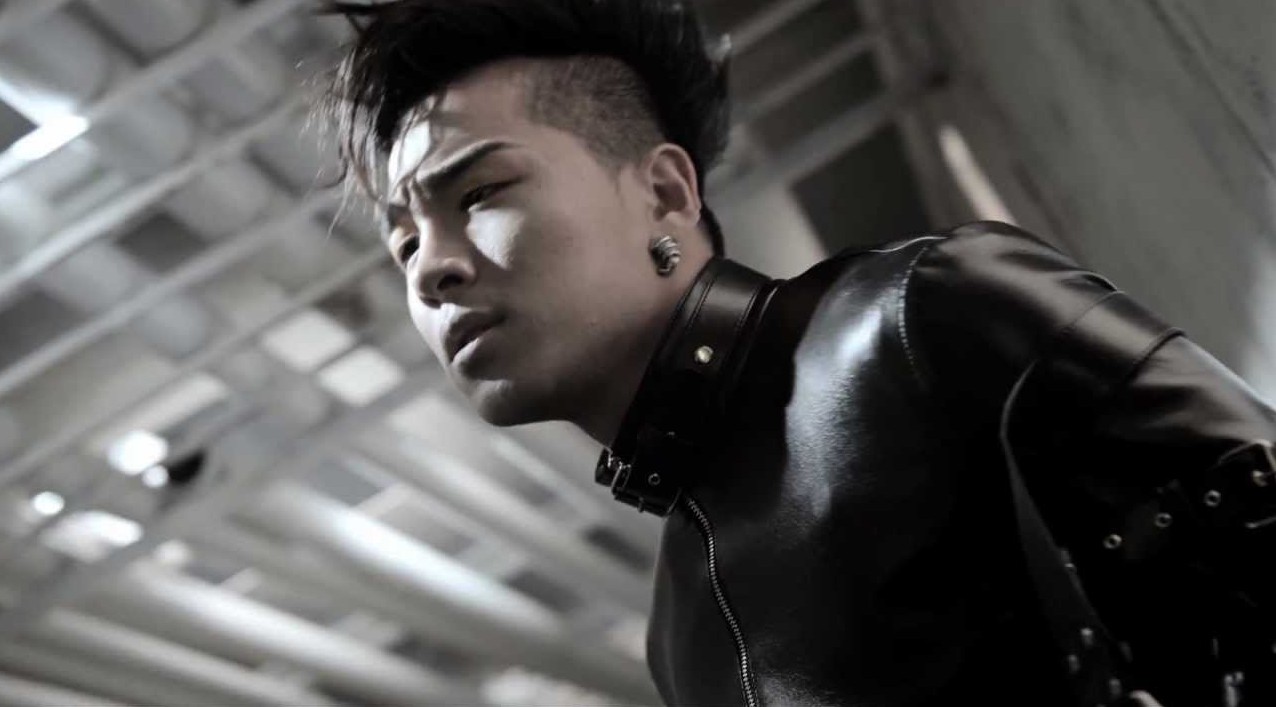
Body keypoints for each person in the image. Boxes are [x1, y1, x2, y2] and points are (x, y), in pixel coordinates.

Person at [315, 1, 1276, 705]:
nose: (431, 268)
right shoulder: (677, 634)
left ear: (664, 193)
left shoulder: (922, 314)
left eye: (480, 194)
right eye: (404, 243)